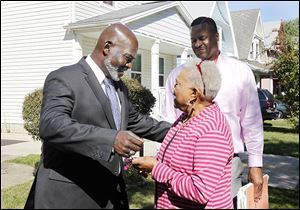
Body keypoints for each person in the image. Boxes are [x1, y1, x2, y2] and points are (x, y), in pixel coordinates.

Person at [24, 23, 171, 209]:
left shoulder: (119, 87)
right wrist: (111, 139)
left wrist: (181, 132)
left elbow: (136, 121)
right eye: (127, 57)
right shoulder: (64, 78)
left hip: (109, 195)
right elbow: (52, 125)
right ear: (107, 47)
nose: (130, 65)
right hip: (70, 196)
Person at [161, 17, 264, 208]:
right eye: (193, 40)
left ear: (216, 37)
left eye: (202, 38)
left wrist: (255, 164)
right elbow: (170, 121)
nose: (198, 44)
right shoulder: (178, 76)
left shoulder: (240, 72)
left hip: (226, 164)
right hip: (184, 162)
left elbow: (251, 121)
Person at [132, 60, 234, 209]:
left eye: (177, 84)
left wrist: (156, 169)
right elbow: (179, 163)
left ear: (194, 93)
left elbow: (200, 190)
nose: (173, 90)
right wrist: (151, 164)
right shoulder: (185, 118)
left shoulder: (212, 131)